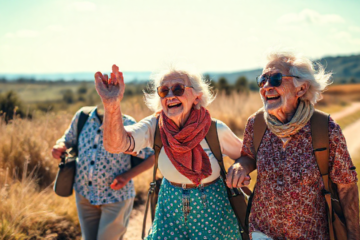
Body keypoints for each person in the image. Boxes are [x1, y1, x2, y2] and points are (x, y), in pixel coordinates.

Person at [94, 64, 249, 239]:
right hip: (169, 209)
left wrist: (240, 167)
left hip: (213, 210)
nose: (170, 96)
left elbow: (246, 156)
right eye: (163, 91)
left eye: (178, 89)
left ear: (197, 97)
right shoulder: (155, 126)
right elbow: (116, 145)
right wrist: (111, 105)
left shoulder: (215, 130)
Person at [226, 51, 360, 240]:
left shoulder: (325, 128)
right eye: (262, 80)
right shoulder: (255, 124)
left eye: (275, 79)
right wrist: (241, 166)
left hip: (310, 233)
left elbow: (346, 187)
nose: (266, 87)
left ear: (301, 89)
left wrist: (354, 235)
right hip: (261, 231)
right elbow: (249, 156)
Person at [51, 105, 155, 240]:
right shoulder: (82, 117)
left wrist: (127, 176)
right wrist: (60, 146)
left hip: (116, 198)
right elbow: (67, 140)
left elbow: (152, 156)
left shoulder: (128, 124)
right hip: (84, 195)